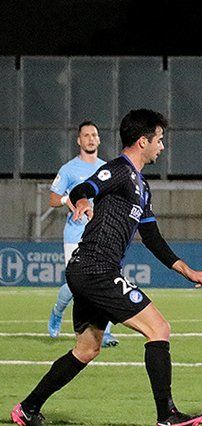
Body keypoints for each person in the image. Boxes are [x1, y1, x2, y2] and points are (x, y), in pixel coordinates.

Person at [11, 109, 202, 426]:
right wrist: (83, 201)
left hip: (94, 270)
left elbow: (151, 237)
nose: (162, 146)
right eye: (159, 140)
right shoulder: (119, 170)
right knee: (159, 328)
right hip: (95, 268)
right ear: (142, 141)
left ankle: (28, 408)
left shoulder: (142, 186)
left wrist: (186, 271)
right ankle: (167, 416)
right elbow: (84, 188)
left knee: (87, 349)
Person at [47, 121, 118, 347]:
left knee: (104, 281)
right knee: (76, 284)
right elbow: (52, 199)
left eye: (94, 135)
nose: (90, 138)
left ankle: (104, 332)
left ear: (99, 140)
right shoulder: (69, 169)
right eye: (85, 135)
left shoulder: (106, 169)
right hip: (75, 233)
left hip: (100, 235)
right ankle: (57, 311)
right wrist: (69, 200)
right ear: (79, 140)